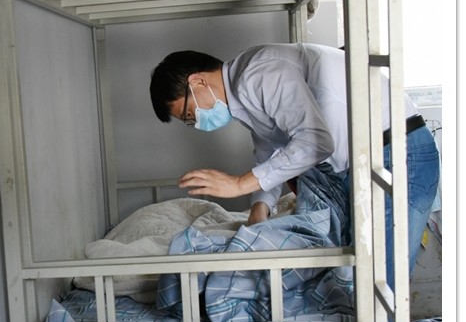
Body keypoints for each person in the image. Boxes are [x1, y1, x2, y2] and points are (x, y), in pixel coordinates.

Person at [148, 44, 440, 287]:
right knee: (362, 281)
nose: (197, 123)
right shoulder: (244, 95)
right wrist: (258, 210)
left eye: (189, 114)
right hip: (369, 159)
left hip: (398, 153)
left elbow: (316, 142)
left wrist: (238, 184)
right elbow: (268, 158)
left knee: (381, 284)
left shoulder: (257, 74)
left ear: (198, 82)